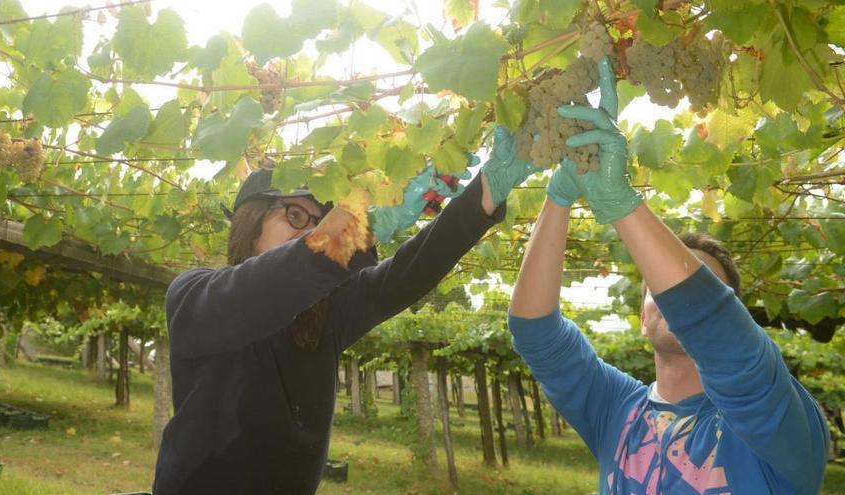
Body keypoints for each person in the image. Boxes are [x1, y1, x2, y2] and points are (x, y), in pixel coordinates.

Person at [508, 57, 829, 494]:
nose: (672, 298)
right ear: (641, 318)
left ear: (739, 319)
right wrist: (559, 197)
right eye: (657, 289)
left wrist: (622, 206)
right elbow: (536, 335)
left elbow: (727, 343)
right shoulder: (616, 408)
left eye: (689, 289)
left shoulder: (778, 424)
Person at [152, 142, 537, 494]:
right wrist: (352, 231)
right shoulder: (194, 295)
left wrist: (484, 195)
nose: (313, 229)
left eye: (321, 219)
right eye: (295, 214)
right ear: (250, 223)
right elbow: (262, 289)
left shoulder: (326, 313)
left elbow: (409, 272)